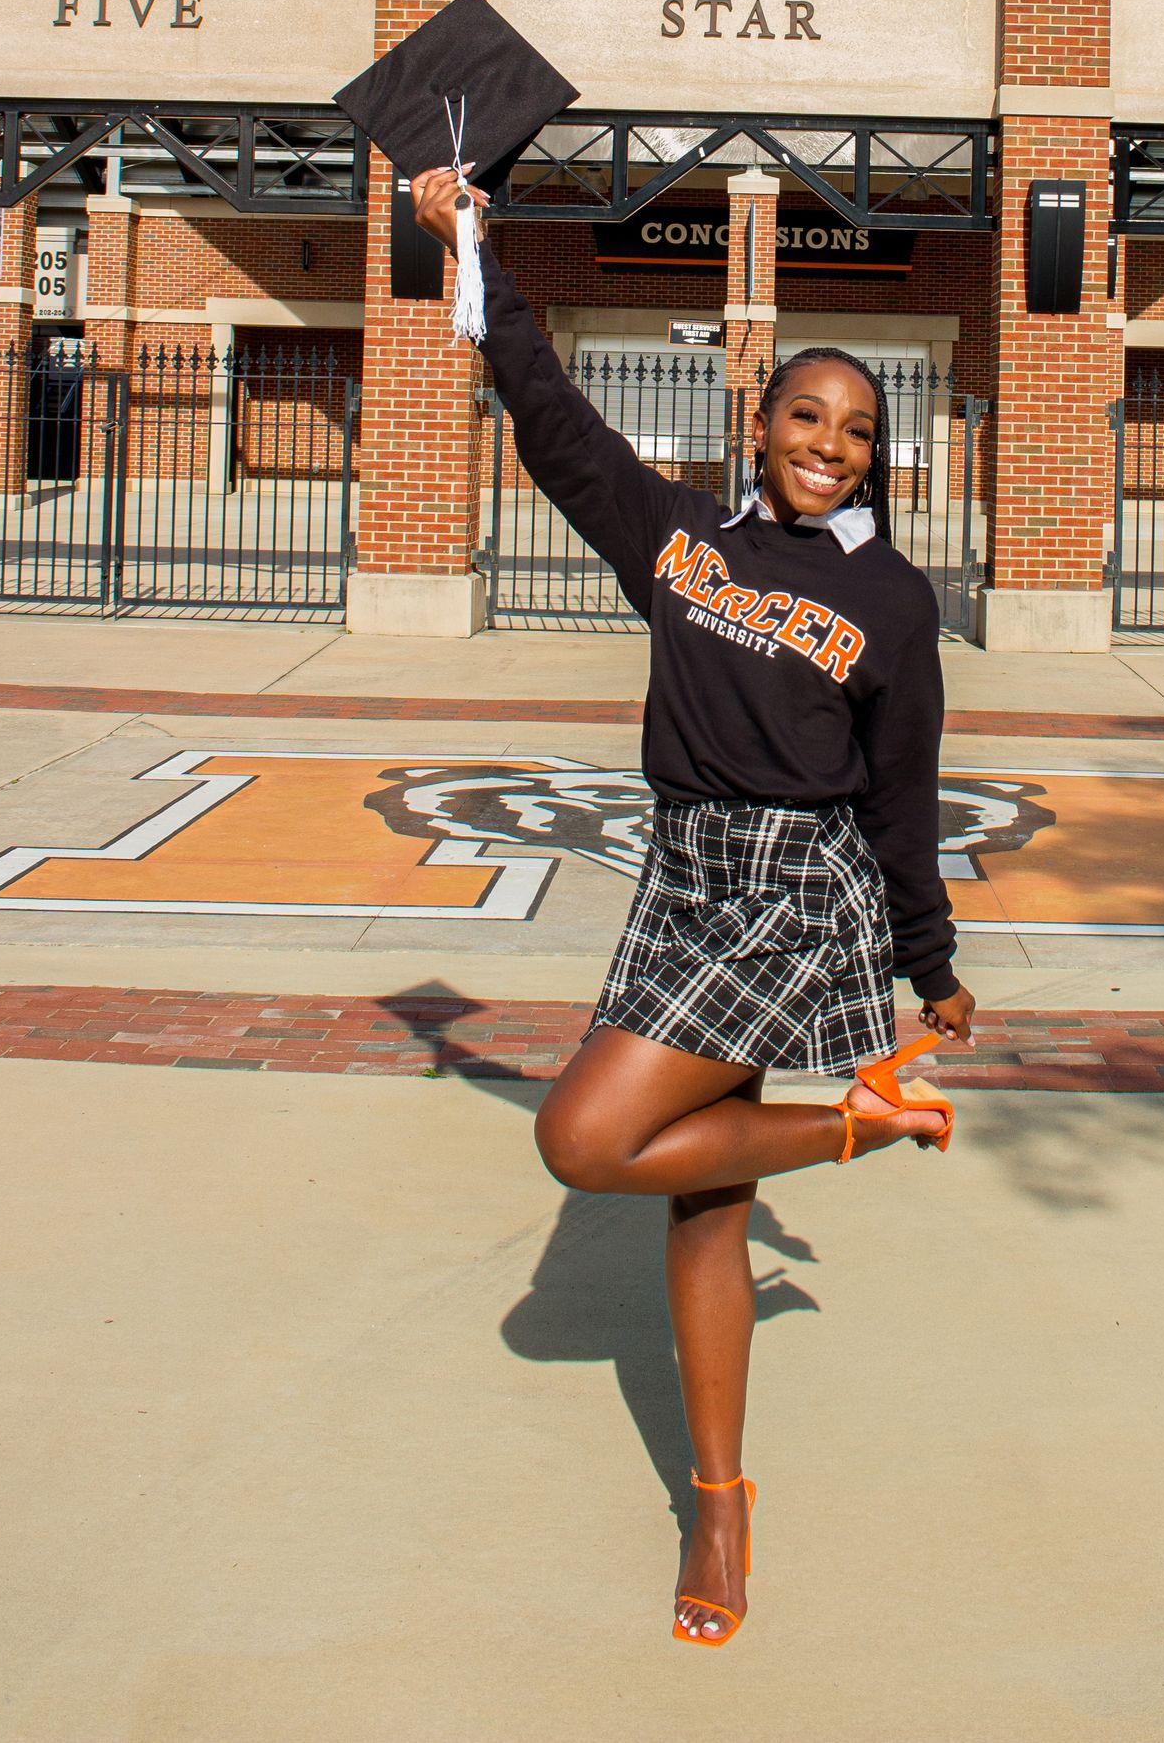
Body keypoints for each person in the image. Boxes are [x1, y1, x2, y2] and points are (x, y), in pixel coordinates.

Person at [410, 166, 975, 1648]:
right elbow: (553, 423)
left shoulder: (894, 602)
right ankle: (719, 1502)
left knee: (586, 1136)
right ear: (761, 421)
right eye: (807, 415)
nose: (831, 446)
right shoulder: (682, 545)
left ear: (877, 455)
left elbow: (904, 788)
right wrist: (474, 247)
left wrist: (931, 958)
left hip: (797, 888)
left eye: (858, 429)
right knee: (702, 1191)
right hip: (683, 875)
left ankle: (865, 1121)